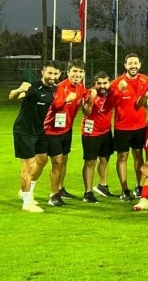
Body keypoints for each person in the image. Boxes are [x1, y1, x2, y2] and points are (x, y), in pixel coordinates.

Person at [11, 61, 60, 212]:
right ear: (43, 73)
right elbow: (12, 96)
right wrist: (19, 90)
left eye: (55, 73)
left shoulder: (55, 89)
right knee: (28, 165)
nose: (52, 76)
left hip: (40, 131)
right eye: (49, 73)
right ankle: (26, 203)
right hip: (24, 131)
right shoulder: (33, 87)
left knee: (43, 160)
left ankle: (27, 191)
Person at [43, 59, 87, 206]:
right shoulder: (61, 87)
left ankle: (60, 189)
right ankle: (53, 195)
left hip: (67, 130)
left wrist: (91, 94)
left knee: (64, 161)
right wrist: (67, 100)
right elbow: (56, 105)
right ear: (68, 72)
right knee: (57, 163)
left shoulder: (81, 87)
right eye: (74, 71)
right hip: (52, 130)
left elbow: (86, 97)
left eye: (80, 71)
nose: (77, 74)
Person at [111, 53, 148, 201]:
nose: (133, 66)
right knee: (122, 157)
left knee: (138, 155)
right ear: (125, 65)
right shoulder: (117, 82)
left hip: (140, 126)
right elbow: (110, 102)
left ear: (139, 65)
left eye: (135, 63)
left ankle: (139, 186)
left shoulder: (145, 80)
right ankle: (124, 190)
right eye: (130, 63)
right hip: (122, 127)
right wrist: (119, 90)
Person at [80, 71, 118, 203]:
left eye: (105, 83)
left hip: (106, 132)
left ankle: (102, 186)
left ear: (109, 83)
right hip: (91, 133)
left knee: (105, 159)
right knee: (90, 162)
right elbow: (86, 112)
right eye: (99, 83)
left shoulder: (111, 93)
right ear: (94, 84)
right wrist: (90, 101)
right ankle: (88, 192)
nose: (102, 86)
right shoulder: (90, 93)